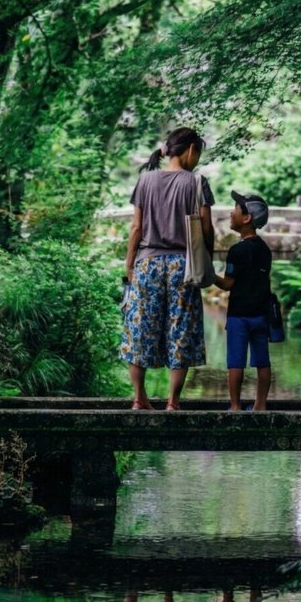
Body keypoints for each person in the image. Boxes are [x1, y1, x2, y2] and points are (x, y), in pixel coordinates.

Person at [121, 127, 214, 411]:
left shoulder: (145, 180)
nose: (196, 160)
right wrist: (206, 260)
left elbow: (136, 227)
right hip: (182, 265)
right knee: (181, 330)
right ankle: (173, 402)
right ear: (189, 150)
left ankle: (139, 398)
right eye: (197, 153)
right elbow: (207, 228)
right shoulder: (196, 182)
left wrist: (129, 264)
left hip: (147, 263)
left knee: (140, 330)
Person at [215, 191, 272, 411]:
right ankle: (260, 405)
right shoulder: (265, 250)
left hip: (239, 315)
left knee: (236, 361)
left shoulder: (236, 251)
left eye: (236, 209)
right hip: (260, 314)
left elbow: (228, 284)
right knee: (262, 360)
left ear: (246, 218)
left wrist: (209, 276)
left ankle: (236, 406)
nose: (231, 212)